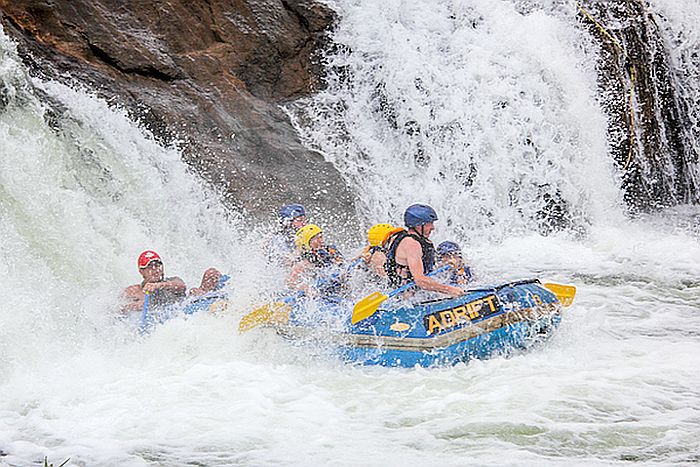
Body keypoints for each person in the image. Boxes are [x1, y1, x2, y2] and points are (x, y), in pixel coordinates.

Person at [384, 204, 464, 297]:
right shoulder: (411, 244)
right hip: (404, 300)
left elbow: (425, 267)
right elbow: (420, 281)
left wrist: (446, 264)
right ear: (418, 225)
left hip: (419, 296)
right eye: (429, 224)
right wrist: (449, 290)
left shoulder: (420, 240)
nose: (432, 228)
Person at [121, 250, 224, 314]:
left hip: (185, 309)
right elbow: (118, 306)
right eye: (150, 267)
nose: (156, 269)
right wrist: (132, 307)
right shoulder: (134, 290)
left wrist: (158, 285)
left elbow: (181, 286)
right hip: (166, 320)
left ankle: (223, 300)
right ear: (141, 271)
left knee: (211, 273)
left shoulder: (172, 281)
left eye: (157, 265)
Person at [287, 224, 345, 296]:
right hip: (324, 295)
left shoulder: (329, 250)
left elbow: (344, 265)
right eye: (316, 239)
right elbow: (290, 282)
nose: (321, 241)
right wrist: (306, 288)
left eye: (321, 237)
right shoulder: (304, 261)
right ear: (307, 243)